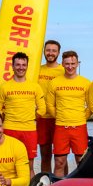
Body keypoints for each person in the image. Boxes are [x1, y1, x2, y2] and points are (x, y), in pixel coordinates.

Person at [0, 52, 47, 171]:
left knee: (29, 165)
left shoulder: (35, 87)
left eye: (23, 65)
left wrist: (31, 119)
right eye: (18, 65)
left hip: (29, 130)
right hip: (10, 129)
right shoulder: (4, 87)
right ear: (12, 66)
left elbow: (42, 109)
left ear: (27, 66)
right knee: (7, 164)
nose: (21, 67)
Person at [49, 50, 93, 175]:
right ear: (62, 64)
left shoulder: (85, 83)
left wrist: (80, 118)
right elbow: (50, 105)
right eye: (67, 63)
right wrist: (60, 118)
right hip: (61, 127)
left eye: (73, 64)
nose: (70, 67)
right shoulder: (54, 82)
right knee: (59, 162)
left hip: (79, 127)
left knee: (81, 161)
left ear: (77, 64)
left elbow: (90, 106)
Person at [36, 40, 65, 172]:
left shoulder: (64, 71)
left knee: (61, 157)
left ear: (58, 52)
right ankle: (45, 184)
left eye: (54, 50)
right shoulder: (37, 70)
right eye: (48, 50)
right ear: (44, 51)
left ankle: (64, 183)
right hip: (42, 118)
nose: (50, 53)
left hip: (59, 118)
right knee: (45, 155)